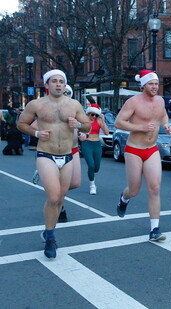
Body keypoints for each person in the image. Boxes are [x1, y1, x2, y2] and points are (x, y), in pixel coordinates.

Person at [17, 69, 91, 258]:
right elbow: (21, 123)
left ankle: (49, 230)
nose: (58, 84)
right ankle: (50, 238)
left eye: (61, 81)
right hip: (46, 154)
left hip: (66, 156)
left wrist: (79, 125)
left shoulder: (74, 104)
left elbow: (87, 125)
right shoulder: (36, 104)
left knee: (59, 199)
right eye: (54, 81)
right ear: (47, 85)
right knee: (53, 197)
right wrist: (36, 134)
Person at [115, 69, 171, 242]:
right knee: (134, 189)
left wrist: (167, 125)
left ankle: (154, 229)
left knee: (155, 188)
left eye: (156, 84)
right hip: (134, 149)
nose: (155, 87)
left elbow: (163, 115)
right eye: (151, 84)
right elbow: (119, 122)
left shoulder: (160, 101)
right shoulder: (133, 102)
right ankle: (124, 199)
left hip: (152, 149)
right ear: (143, 85)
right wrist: (140, 128)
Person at [31, 85, 82, 222]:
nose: (66, 95)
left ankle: (57, 192)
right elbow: (33, 126)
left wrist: (81, 130)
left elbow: (85, 125)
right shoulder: (50, 109)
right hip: (52, 150)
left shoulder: (74, 107)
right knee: (55, 192)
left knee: (76, 183)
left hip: (73, 149)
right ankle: (59, 201)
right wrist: (40, 133)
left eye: (68, 93)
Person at [80, 103, 109, 195]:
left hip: (96, 144)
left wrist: (103, 121)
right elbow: (80, 132)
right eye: (92, 114)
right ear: (89, 113)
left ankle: (92, 175)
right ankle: (92, 185)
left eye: (96, 115)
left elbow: (107, 133)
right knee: (91, 165)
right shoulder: (85, 121)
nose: (94, 117)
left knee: (96, 168)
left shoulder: (99, 121)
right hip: (87, 144)